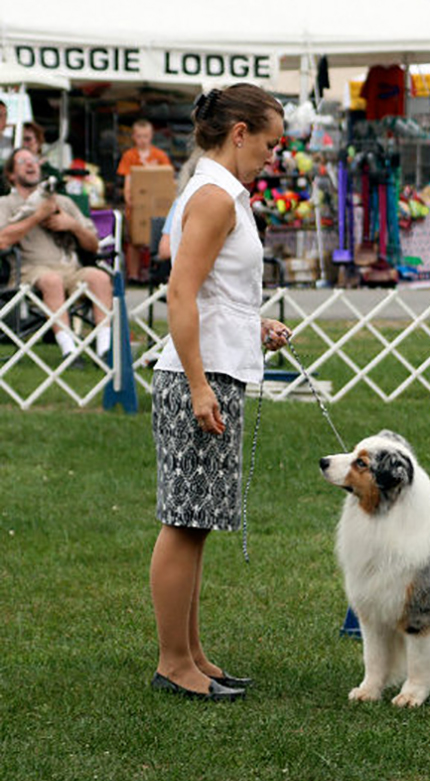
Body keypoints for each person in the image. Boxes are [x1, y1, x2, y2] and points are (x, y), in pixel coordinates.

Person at [149, 84, 290, 702]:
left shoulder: (219, 193)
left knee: (196, 524)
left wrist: (253, 327)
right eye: (269, 143)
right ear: (239, 134)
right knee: (183, 523)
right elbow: (180, 294)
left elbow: (211, 297)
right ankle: (173, 663)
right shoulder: (213, 197)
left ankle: (193, 655)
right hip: (196, 379)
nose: (272, 156)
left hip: (211, 372)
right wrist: (200, 385)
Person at [0, 148, 113, 365]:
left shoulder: (63, 201)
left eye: (34, 160)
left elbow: (93, 245)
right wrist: (37, 216)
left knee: (99, 277)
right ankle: (70, 352)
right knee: (52, 280)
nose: (30, 164)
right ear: (11, 175)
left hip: (71, 270)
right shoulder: (5, 203)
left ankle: (105, 351)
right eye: (23, 161)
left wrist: (72, 225)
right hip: (30, 271)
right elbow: (2, 241)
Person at [117, 120, 172, 282]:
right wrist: (128, 197)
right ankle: (133, 275)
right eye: (139, 136)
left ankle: (155, 274)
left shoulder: (159, 156)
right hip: (136, 206)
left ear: (151, 136)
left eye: (145, 136)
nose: (142, 140)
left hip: (156, 206)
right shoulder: (129, 156)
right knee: (134, 241)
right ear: (133, 137)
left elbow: (166, 178)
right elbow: (127, 180)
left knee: (157, 240)